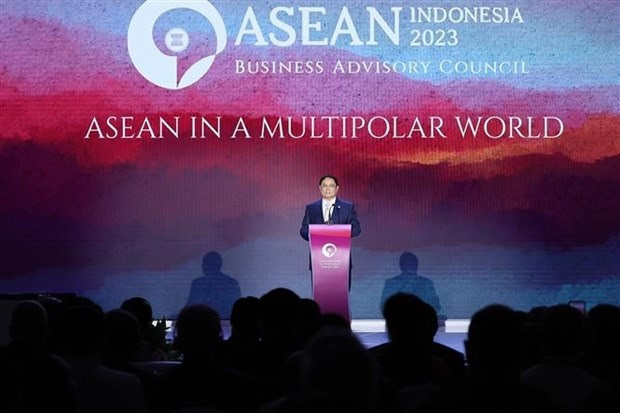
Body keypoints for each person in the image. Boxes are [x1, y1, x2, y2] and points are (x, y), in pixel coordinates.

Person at [299, 175, 361, 241]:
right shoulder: (311, 208)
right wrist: (314, 236)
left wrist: (340, 233)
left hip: (341, 249)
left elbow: (356, 229)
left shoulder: (347, 207)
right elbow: (304, 230)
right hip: (317, 249)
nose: (328, 189)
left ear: (337, 188)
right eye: (324, 186)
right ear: (320, 188)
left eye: (331, 186)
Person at [187, 251, 241, 319]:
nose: (203, 266)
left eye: (207, 263)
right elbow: (190, 305)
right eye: (204, 263)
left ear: (218, 265)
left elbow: (234, 308)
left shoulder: (231, 284)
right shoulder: (197, 283)